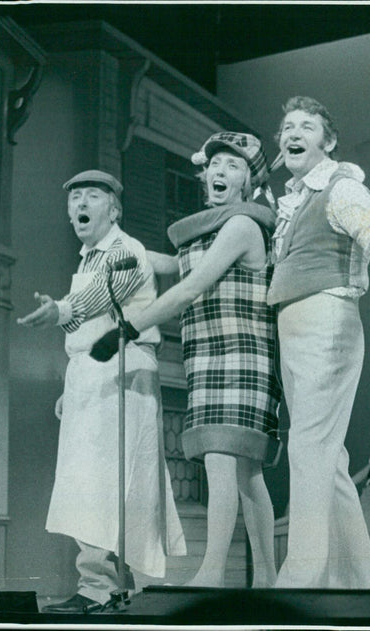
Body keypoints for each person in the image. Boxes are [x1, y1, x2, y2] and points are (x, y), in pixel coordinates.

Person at [89, 132, 282, 588]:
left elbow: (191, 287)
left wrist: (128, 328)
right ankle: (271, 580)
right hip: (209, 355)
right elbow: (170, 264)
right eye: (215, 163)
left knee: (222, 458)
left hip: (243, 354)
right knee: (246, 470)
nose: (220, 171)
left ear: (247, 183)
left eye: (233, 166)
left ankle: (213, 571)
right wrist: (119, 250)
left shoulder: (242, 227)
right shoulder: (207, 230)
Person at [17, 170, 186, 613]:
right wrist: (72, 387)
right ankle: (108, 587)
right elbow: (90, 324)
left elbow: (97, 301)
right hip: (93, 376)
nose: (81, 204)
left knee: (105, 482)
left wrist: (60, 310)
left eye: (92, 195)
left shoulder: (125, 251)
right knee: (86, 482)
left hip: (123, 372)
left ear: (115, 209)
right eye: (74, 198)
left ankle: (99, 586)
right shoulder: (89, 256)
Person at [266, 96, 370, 589]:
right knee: (329, 455)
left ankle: (300, 578)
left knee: (309, 445)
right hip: (295, 323)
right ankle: (359, 581)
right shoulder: (294, 199)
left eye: (307, 126)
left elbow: (364, 223)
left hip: (327, 318)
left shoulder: (340, 184)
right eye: (287, 126)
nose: (293, 131)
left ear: (327, 141)